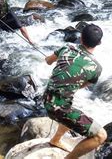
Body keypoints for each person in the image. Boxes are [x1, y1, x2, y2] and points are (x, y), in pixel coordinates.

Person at [43, 24, 107, 158]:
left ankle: (55, 140)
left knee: (73, 111)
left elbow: (48, 61)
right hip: (57, 108)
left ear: (81, 38)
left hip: (46, 98)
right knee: (101, 136)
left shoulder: (66, 47)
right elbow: (81, 85)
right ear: (99, 43)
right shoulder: (96, 68)